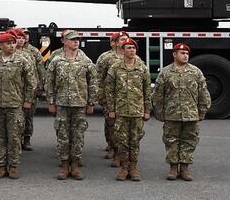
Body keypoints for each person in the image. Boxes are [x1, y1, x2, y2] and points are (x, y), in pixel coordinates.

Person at [0, 32, 37, 179]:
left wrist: (28, 100)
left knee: (14, 137)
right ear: (1, 45)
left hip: (15, 104)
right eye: (8, 43)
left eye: (13, 43)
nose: (12, 45)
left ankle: (13, 166)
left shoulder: (22, 60)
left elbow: (31, 82)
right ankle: (0, 166)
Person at [151, 42, 210, 181]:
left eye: (187, 53)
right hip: (172, 114)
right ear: (174, 54)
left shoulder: (195, 72)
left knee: (189, 140)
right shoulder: (165, 72)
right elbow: (158, 94)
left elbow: (203, 93)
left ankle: (184, 168)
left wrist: (202, 111)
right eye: (182, 53)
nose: (185, 56)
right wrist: (159, 112)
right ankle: (173, 167)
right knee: (171, 140)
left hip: (191, 114)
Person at [45, 29, 98, 180]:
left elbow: (93, 82)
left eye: (77, 39)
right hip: (62, 103)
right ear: (65, 42)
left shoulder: (85, 61)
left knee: (78, 135)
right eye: (72, 39)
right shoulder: (56, 60)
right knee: (63, 135)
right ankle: (64, 166)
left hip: (80, 104)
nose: (76, 42)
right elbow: (49, 82)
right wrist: (51, 101)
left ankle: (75, 166)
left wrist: (91, 102)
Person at [105, 39, 152, 181]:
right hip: (121, 111)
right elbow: (109, 90)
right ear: (123, 50)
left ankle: (134, 168)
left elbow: (147, 90)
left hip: (137, 111)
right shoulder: (115, 68)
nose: (132, 50)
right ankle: (124, 169)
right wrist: (111, 109)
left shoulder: (142, 68)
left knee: (135, 141)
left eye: (133, 48)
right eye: (129, 48)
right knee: (122, 141)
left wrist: (147, 110)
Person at [96, 31, 129, 165]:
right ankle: (113, 148)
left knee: (124, 127)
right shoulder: (106, 58)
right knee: (111, 124)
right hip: (110, 97)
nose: (125, 41)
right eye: (122, 39)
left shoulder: (131, 56)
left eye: (127, 39)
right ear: (114, 43)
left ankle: (123, 152)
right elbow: (98, 77)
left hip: (127, 98)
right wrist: (101, 95)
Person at [15, 28, 43, 151]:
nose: (23, 38)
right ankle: (15, 140)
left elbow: (39, 70)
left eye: (25, 35)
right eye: (20, 36)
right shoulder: (10, 52)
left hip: (29, 89)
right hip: (15, 91)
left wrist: (39, 86)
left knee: (28, 116)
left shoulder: (32, 52)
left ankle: (26, 138)